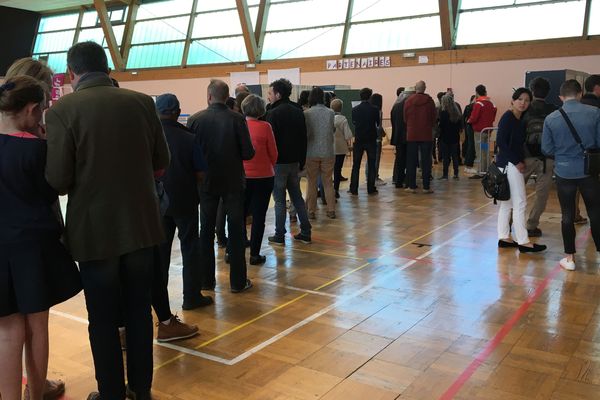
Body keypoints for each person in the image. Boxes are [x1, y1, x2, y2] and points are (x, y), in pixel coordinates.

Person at [45, 41, 170, 400]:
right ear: (107, 67)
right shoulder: (142, 103)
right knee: (138, 311)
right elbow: (162, 164)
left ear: (72, 73)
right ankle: (142, 390)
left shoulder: (62, 111)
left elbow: (58, 180)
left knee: (102, 319)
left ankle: (111, 392)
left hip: (95, 234)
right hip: (143, 226)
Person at [0, 76, 81, 400]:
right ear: (32, 110)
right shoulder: (36, 149)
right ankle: (37, 394)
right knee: (37, 326)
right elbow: (51, 191)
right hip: (33, 248)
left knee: (7, 331)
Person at [188, 79, 255, 293]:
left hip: (206, 183)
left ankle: (206, 281)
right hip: (233, 182)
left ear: (209, 96)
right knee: (236, 231)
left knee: (205, 231)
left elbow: (191, 155)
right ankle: (237, 282)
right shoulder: (237, 119)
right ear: (227, 97)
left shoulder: (195, 120)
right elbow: (247, 153)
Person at [155, 93, 213, 318]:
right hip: (185, 200)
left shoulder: (149, 136)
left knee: (160, 252)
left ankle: (159, 301)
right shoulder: (188, 138)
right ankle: (191, 296)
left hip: (157, 202)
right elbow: (200, 173)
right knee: (190, 247)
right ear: (178, 113)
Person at [542, 79, 600, 271]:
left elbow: (547, 148)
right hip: (588, 170)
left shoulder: (551, 118)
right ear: (581, 94)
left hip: (564, 171)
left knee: (567, 215)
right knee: (595, 212)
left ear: (561, 97)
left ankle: (570, 257)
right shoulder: (595, 113)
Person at [496, 87, 546, 253]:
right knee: (520, 202)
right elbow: (501, 143)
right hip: (510, 164)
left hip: (509, 163)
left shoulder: (519, 119)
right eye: (520, 99)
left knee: (507, 203)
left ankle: (503, 237)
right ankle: (523, 242)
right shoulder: (508, 118)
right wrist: (517, 161)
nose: (523, 103)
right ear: (513, 100)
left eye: (526, 100)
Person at [266, 78, 312, 245]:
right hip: (294, 161)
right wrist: (302, 159)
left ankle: (279, 234)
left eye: (270, 93)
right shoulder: (297, 110)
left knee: (279, 200)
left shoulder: (273, 113)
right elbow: (303, 137)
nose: (268, 96)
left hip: (279, 163)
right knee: (297, 196)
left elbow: (271, 141)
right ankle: (306, 230)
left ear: (278, 94)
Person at [241, 94, 278, 265]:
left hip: (242, 176)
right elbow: (274, 154)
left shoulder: (239, 124)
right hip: (263, 177)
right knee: (259, 216)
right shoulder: (265, 127)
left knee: (238, 215)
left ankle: (233, 251)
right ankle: (254, 254)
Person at [521, 77, 557, 237]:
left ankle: (508, 221)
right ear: (548, 92)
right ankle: (531, 225)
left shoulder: (525, 109)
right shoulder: (554, 110)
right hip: (547, 159)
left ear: (532, 90)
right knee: (541, 195)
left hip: (525, 157)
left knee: (516, 191)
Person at [304, 86, 336, 219]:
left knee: (311, 182)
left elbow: (306, 133)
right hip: (328, 150)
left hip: (311, 151)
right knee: (328, 182)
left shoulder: (307, 113)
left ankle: (311, 211)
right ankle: (331, 210)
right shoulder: (330, 112)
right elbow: (332, 130)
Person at [403, 80, 437, 194]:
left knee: (411, 161)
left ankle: (411, 186)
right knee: (426, 161)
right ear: (425, 88)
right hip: (426, 134)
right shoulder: (430, 101)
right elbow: (433, 118)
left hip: (412, 134)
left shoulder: (408, 101)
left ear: (415, 88)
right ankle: (426, 187)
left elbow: (405, 118)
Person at [350, 87, 379, 195]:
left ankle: (353, 188)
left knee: (356, 165)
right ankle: (371, 188)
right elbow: (377, 123)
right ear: (370, 96)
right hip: (371, 139)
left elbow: (354, 122)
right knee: (372, 164)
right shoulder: (375, 109)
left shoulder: (355, 109)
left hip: (359, 139)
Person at [467, 84, 497, 177]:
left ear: (476, 93)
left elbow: (474, 117)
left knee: (480, 152)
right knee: (485, 150)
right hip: (487, 131)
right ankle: (487, 170)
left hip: (479, 132)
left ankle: (481, 172)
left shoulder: (478, 103)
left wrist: (469, 120)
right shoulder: (491, 103)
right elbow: (494, 113)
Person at [390, 87, 413, 188]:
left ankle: (398, 181)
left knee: (399, 160)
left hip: (398, 137)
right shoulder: (411, 106)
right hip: (409, 136)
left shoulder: (396, 106)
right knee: (410, 160)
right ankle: (409, 181)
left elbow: (393, 122)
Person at [331, 98, 352, 198]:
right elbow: (348, 135)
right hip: (340, 148)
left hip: (329, 148)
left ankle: (325, 190)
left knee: (328, 170)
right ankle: (336, 190)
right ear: (341, 108)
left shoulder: (328, 118)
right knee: (338, 169)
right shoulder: (343, 119)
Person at [438, 94, 463, 179]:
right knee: (455, 156)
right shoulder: (457, 113)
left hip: (445, 137)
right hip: (455, 137)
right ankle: (456, 173)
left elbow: (441, 125)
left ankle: (445, 174)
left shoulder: (444, 113)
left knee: (446, 157)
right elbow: (459, 125)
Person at [367, 93, 386, 185]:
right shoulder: (378, 111)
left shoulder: (369, 110)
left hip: (369, 137)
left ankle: (369, 176)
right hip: (376, 138)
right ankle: (375, 177)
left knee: (370, 159)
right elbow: (378, 125)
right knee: (376, 158)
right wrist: (382, 133)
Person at [462, 94, 477, 171]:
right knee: (471, 144)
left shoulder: (468, 106)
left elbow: (463, 117)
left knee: (468, 142)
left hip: (468, 126)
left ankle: (466, 158)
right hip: (472, 126)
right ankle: (468, 160)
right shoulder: (474, 106)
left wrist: (464, 126)